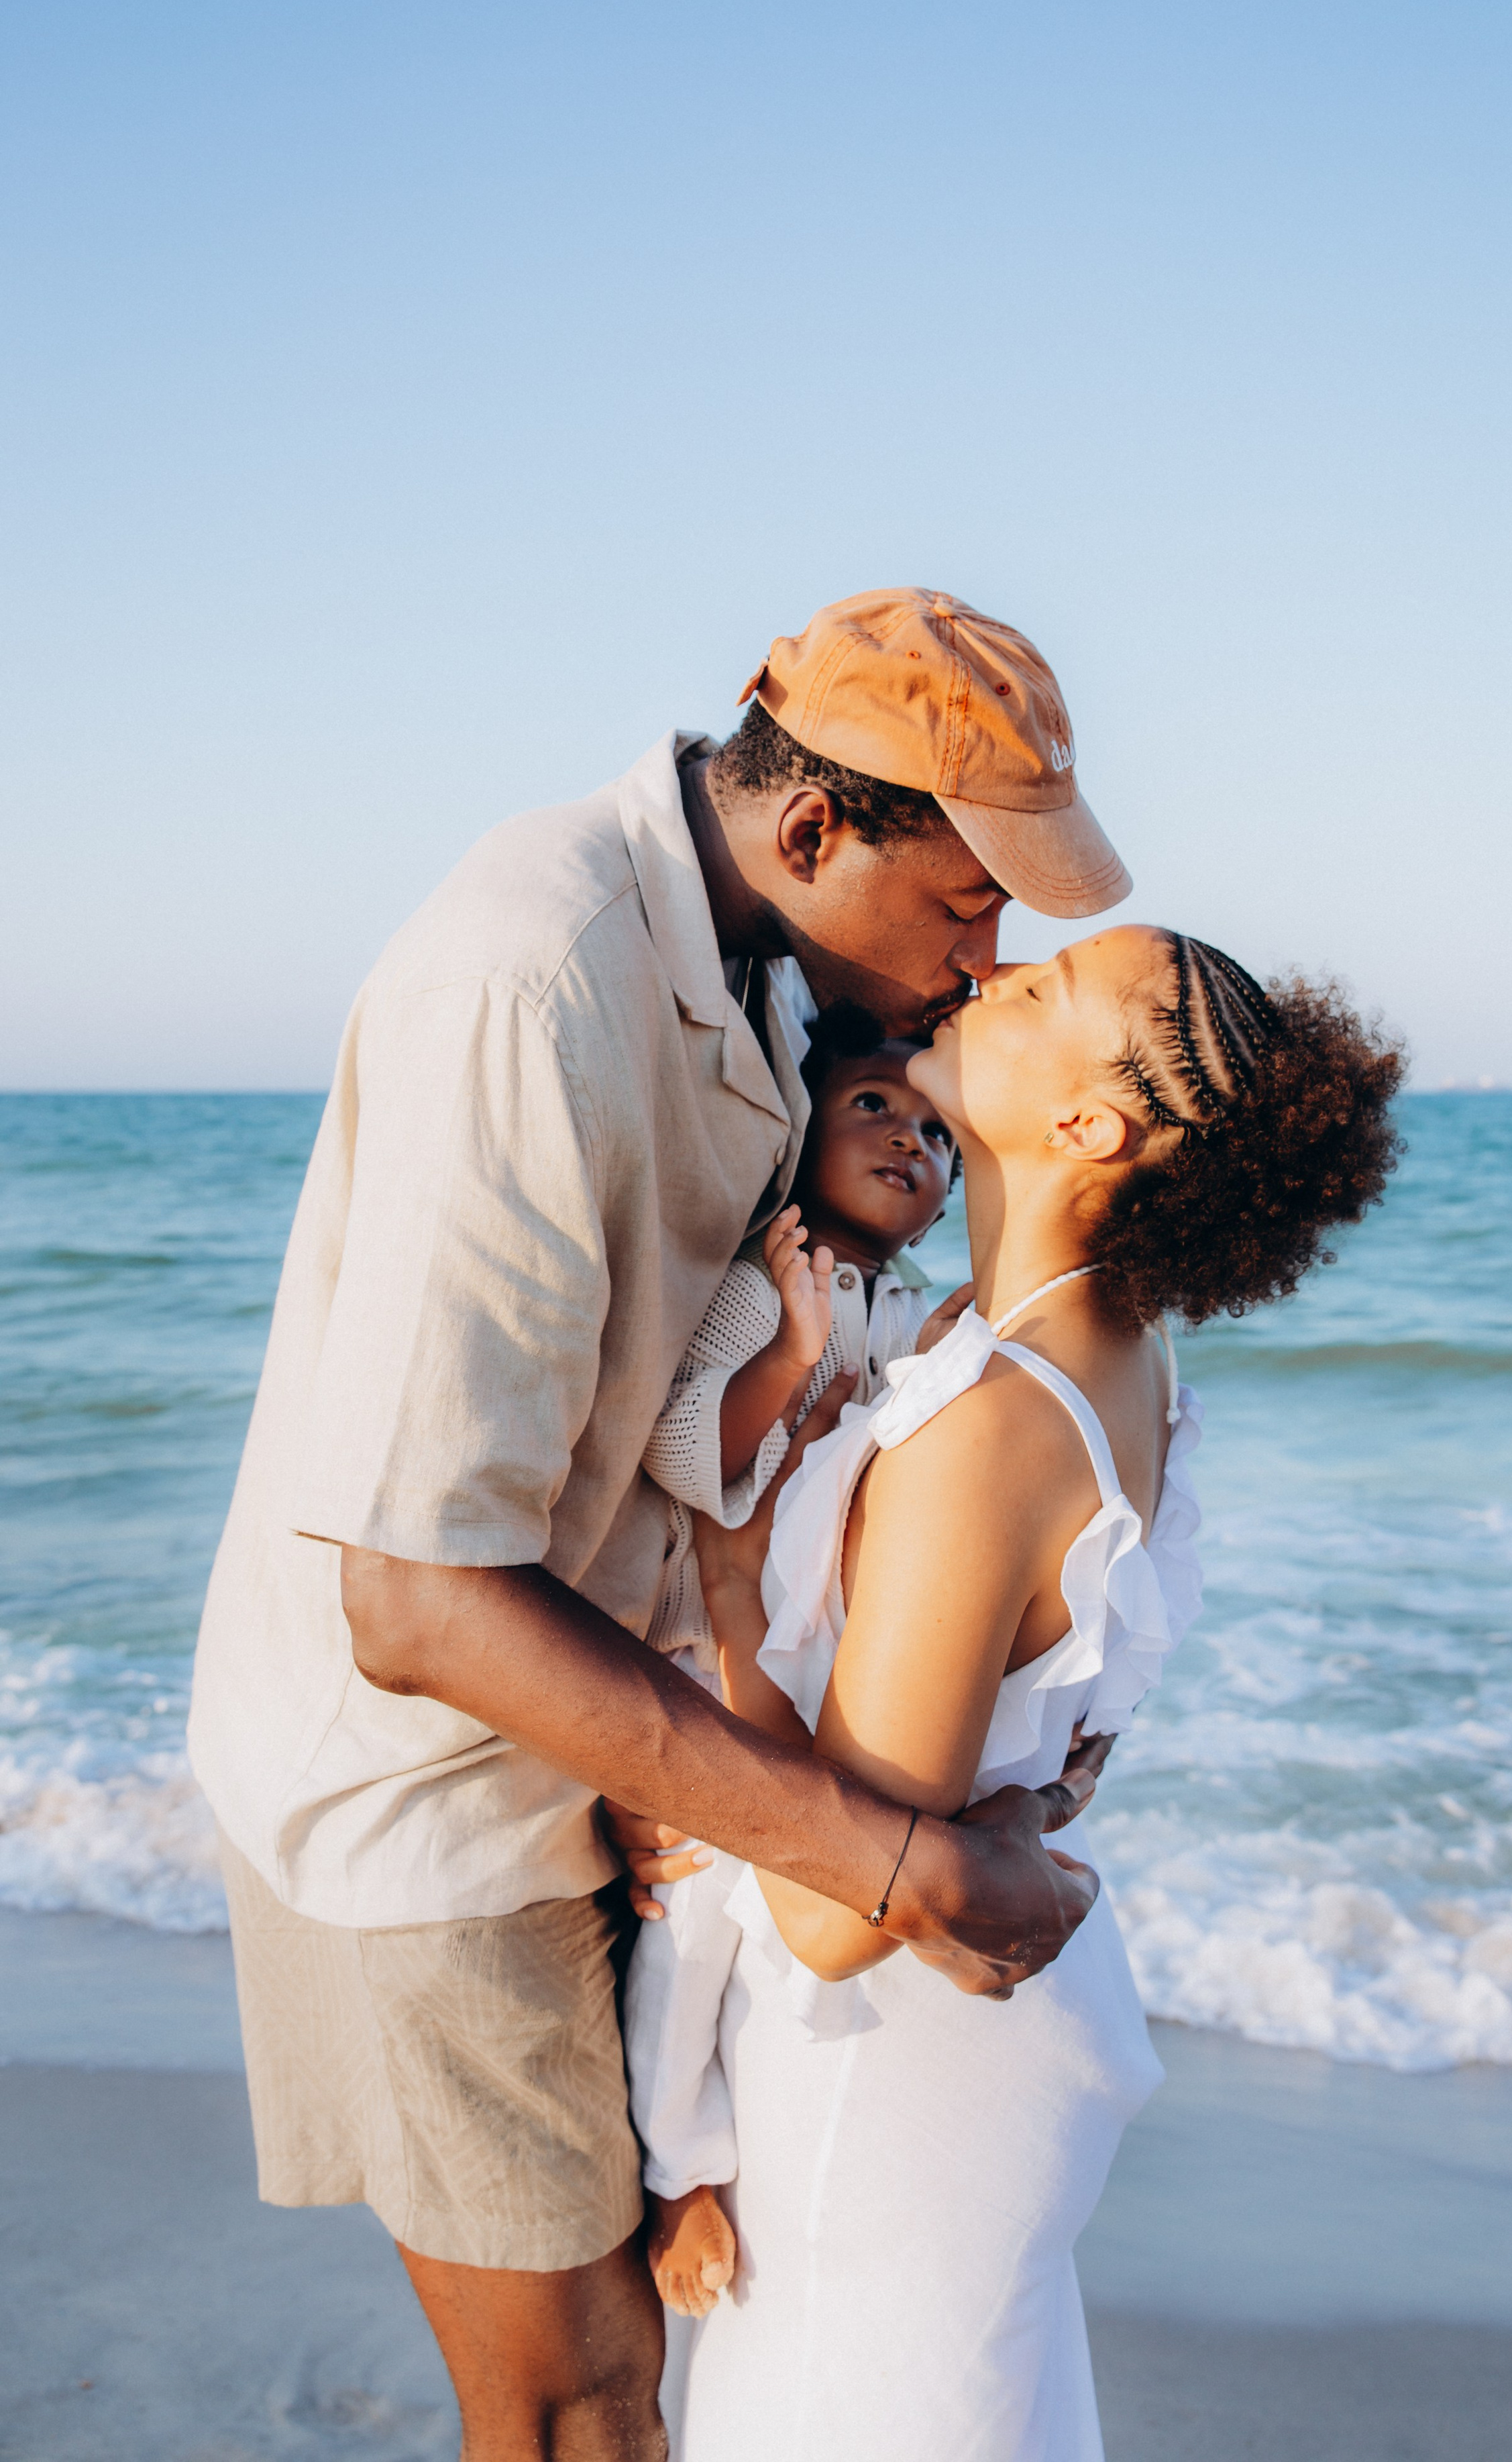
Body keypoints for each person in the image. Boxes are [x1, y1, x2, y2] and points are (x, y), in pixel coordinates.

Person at [186, 588, 1133, 2462]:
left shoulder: (775, 968)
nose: (990, 952)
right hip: (435, 1799)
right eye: (965, 901)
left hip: (606, 1756)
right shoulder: (534, 978)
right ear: (811, 832)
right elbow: (415, 1596)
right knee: (581, 2409)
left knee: (659, 2368)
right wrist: (890, 1861)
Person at [620, 926, 1401, 2459]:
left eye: (1040, 993)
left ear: (1087, 1125)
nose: (994, 979)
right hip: (988, 2036)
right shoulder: (1098, 1353)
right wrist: (1026, 1798)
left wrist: (719, 1630)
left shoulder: (990, 1423)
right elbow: (1066, 1715)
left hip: (890, 2081)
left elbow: (833, 1919)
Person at [641, 1012, 958, 1676]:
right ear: (798, 1141)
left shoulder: (917, 1313)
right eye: (873, 1103)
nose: (908, 1137)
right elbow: (675, 1453)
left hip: (830, 1653)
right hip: (708, 1658)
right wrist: (789, 1355)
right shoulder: (759, 1284)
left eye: (939, 1135)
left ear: (934, 1223)